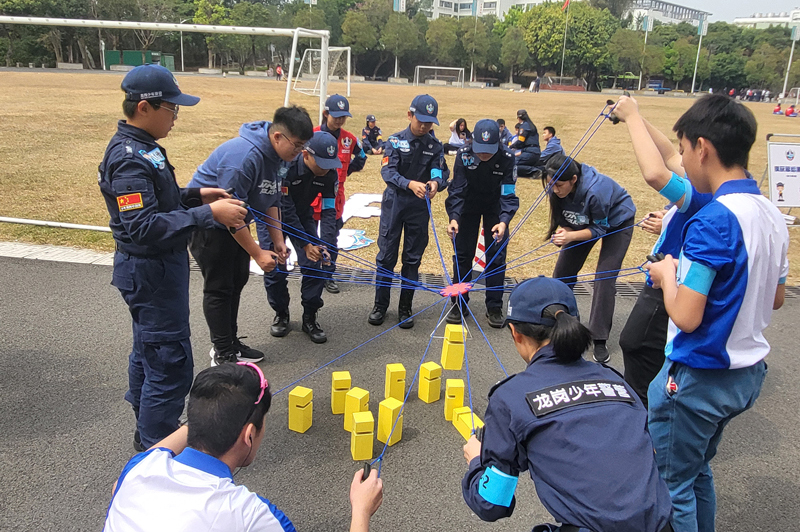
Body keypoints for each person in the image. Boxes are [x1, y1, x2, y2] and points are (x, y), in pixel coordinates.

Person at [644, 94, 789, 532]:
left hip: (698, 376)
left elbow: (687, 316)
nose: (682, 161)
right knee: (695, 470)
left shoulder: (714, 221)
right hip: (745, 374)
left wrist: (666, 274)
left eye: (683, 150)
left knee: (670, 486)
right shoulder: (771, 213)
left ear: (702, 148)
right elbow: (777, 298)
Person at [98, 64, 248, 451]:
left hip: (156, 271)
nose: (176, 118)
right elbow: (142, 226)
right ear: (145, 107)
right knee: (169, 364)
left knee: (148, 353)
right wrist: (209, 215)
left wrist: (198, 196)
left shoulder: (144, 148)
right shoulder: (129, 158)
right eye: (172, 109)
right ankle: (156, 446)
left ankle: (147, 428)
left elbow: (160, 200)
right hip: (151, 272)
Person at [460, 276, 672, 532]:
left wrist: (476, 461)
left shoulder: (511, 398)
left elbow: (491, 503)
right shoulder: (613, 378)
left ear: (515, 333)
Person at [104, 363, 384, 532]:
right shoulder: (254, 516)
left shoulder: (139, 469)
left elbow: (127, 479)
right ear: (249, 435)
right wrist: (361, 510)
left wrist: (213, 411)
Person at [189, 106, 314, 366]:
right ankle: (222, 352)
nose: (299, 152)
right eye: (297, 145)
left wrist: (278, 241)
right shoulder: (244, 158)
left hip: (236, 225)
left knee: (237, 281)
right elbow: (230, 213)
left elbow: (272, 200)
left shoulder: (280, 158)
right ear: (278, 136)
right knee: (220, 288)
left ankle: (231, 342)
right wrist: (257, 253)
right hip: (211, 226)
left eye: (304, 146)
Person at [610, 95, 714, 405]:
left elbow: (656, 173)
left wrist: (631, 119)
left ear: (703, 148)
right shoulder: (716, 180)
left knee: (637, 345)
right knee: (641, 345)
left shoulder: (700, 190)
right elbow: (668, 154)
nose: (679, 153)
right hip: (675, 280)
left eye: (685, 147)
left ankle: (644, 411)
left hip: (668, 283)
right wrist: (635, 115)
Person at [543, 153, 636, 364]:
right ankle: (562, 322)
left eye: (559, 185)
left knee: (604, 276)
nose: (554, 190)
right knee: (562, 273)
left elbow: (599, 228)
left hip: (616, 222)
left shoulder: (596, 191)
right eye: (551, 185)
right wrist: (564, 232)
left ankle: (599, 337)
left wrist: (571, 235)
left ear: (573, 180)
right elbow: (565, 218)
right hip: (584, 221)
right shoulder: (555, 188)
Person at [369, 94, 448, 328]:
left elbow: (440, 171)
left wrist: (435, 183)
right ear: (409, 115)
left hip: (419, 208)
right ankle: (380, 306)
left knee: (412, 259)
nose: (424, 126)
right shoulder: (394, 141)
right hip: (395, 204)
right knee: (386, 258)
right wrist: (409, 183)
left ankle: (405, 308)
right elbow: (388, 173)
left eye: (429, 122)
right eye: (420, 120)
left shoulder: (435, 146)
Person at [266, 131, 340, 344]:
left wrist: (325, 245)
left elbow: (328, 211)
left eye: (330, 163)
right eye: (322, 163)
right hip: (275, 216)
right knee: (275, 267)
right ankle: (281, 313)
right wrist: (306, 244)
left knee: (315, 264)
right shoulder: (286, 167)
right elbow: (285, 209)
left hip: (303, 215)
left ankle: (310, 317)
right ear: (306, 155)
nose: (326, 168)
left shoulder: (329, 173)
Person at [445, 119, 518, 328]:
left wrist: (504, 221)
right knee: (463, 254)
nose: (483, 155)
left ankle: (494, 307)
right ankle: (459, 303)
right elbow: (457, 189)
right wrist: (454, 218)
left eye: (489, 151)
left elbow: (508, 193)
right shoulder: (464, 154)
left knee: (496, 255)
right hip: (468, 205)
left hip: (495, 206)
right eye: (480, 150)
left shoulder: (507, 158)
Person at [312, 94, 367, 295]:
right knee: (309, 235)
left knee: (330, 237)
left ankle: (328, 275)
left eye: (343, 117)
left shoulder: (348, 139)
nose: (339, 120)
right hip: (311, 194)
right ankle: (312, 273)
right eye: (336, 116)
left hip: (335, 196)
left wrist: (346, 171)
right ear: (325, 114)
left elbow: (362, 157)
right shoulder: (313, 134)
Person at [510, 109, 541, 177]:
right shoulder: (531, 125)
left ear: (518, 118)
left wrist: (510, 147)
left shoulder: (524, 126)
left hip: (530, 152)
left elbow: (520, 142)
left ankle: (534, 170)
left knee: (511, 163)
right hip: (535, 152)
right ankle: (537, 169)